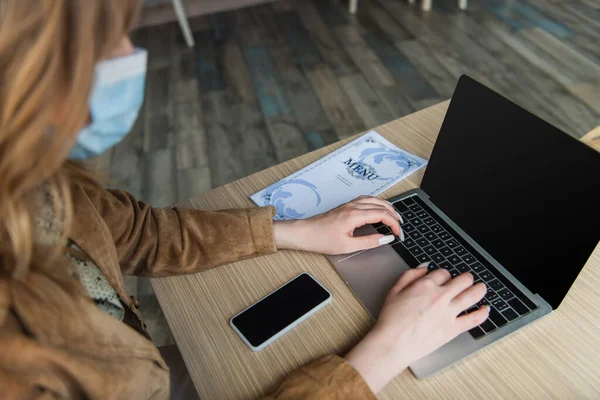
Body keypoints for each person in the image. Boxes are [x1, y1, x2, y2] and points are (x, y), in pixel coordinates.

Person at [0, 0, 489, 398]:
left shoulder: (32, 181)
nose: (130, 56)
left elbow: (136, 232)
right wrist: (387, 348)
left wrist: (294, 230)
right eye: (104, 42)